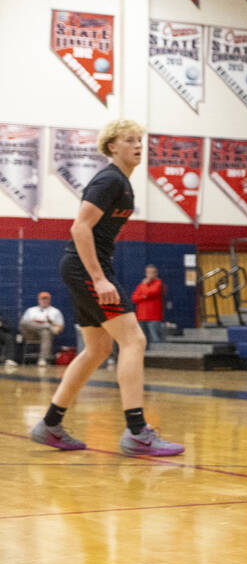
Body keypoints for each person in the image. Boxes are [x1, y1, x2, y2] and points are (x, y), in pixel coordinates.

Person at [30, 119, 183, 456]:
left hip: (85, 266)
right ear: (112, 146)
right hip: (87, 268)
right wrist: (99, 279)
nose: (138, 146)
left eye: (140, 140)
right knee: (134, 339)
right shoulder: (109, 179)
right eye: (130, 140)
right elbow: (79, 228)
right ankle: (137, 432)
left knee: (98, 349)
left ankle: (51, 424)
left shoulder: (122, 182)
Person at [20, 292, 65, 367]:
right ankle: (46, 326)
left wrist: (50, 322)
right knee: (24, 322)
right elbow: (23, 324)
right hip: (30, 333)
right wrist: (38, 323)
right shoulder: (31, 310)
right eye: (42, 299)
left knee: (46, 332)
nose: (44, 301)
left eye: (46, 299)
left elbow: (60, 328)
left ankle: (43, 360)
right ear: (38, 300)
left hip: (45, 335)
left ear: (49, 300)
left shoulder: (55, 311)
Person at [131, 265, 165, 347]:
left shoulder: (158, 283)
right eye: (147, 272)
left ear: (156, 273)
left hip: (154, 317)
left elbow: (149, 293)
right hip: (141, 316)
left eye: (151, 272)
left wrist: (144, 286)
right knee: (142, 340)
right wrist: (143, 296)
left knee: (155, 340)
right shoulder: (142, 285)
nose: (149, 274)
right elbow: (134, 298)